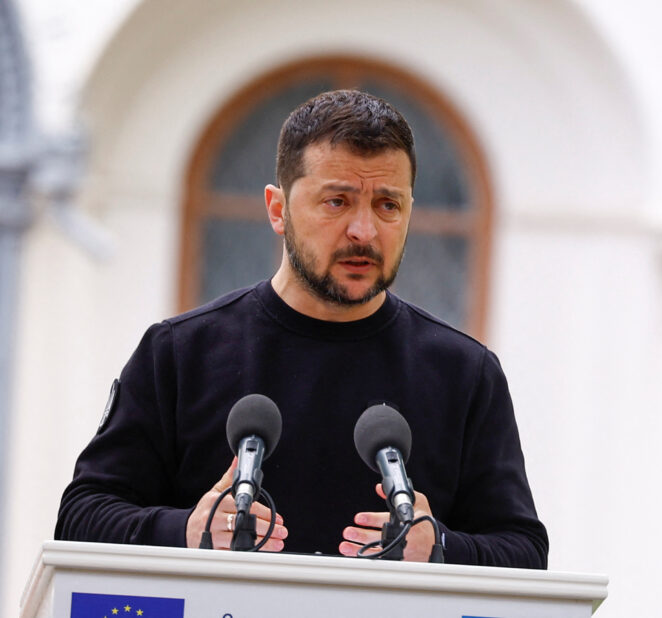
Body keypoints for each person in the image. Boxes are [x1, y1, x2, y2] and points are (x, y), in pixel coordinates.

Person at [55, 89, 548, 568]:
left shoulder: (464, 373)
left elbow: (524, 550)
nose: (364, 231)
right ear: (277, 209)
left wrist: (440, 547)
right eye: (337, 202)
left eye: (387, 205)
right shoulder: (179, 353)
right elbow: (80, 517)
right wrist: (185, 529)